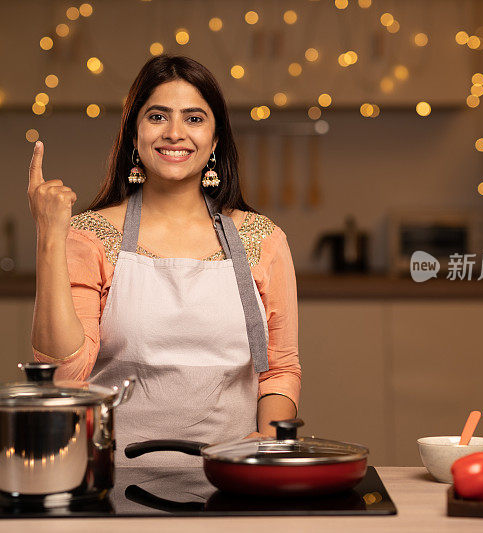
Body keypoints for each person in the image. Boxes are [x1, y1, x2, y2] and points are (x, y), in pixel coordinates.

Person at [28, 55, 300, 466]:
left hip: (230, 480)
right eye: (157, 116)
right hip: (112, 474)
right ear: (134, 134)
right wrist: (51, 236)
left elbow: (279, 369)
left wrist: (266, 442)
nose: (175, 133)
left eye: (194, 119)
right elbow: (64, 377)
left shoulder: (263, 240)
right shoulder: (89, 236)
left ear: (216, 139)